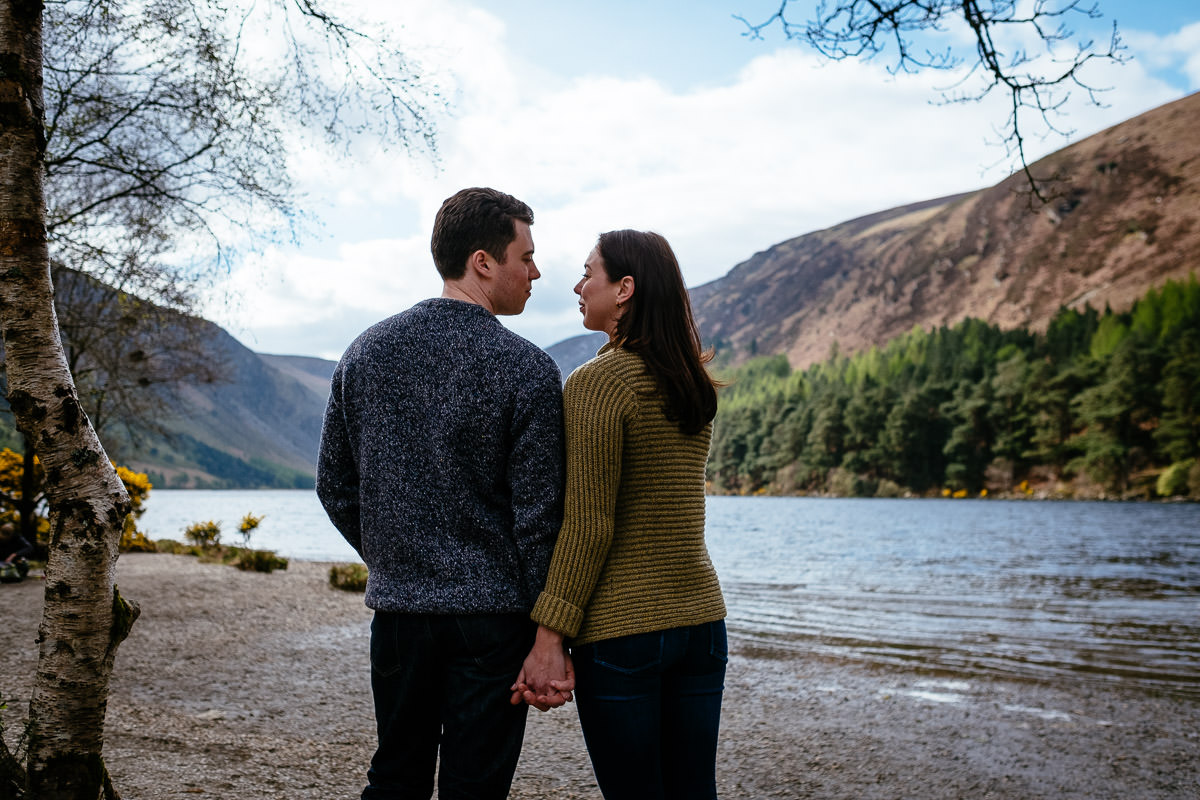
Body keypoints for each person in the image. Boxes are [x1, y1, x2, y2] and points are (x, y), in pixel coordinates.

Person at [316, 187, 566, 800]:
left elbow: (335, 486)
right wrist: (549, 633)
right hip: (491, 621)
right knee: (474, 786)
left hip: (400, 615)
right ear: (483, 261)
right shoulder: (526, 367)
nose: (535, 273)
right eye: (525, 257)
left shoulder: (365, 352)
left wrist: (396, 556)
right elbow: (539, 518)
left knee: (394, 776)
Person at [513, 229, 728, 799]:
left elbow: (589, 524)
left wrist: (548, 635)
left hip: (624, 633)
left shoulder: (596, 384)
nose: (578, 287)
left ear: (625, 289)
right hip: (702, 622)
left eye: (589, 274)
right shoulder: (691, 384)